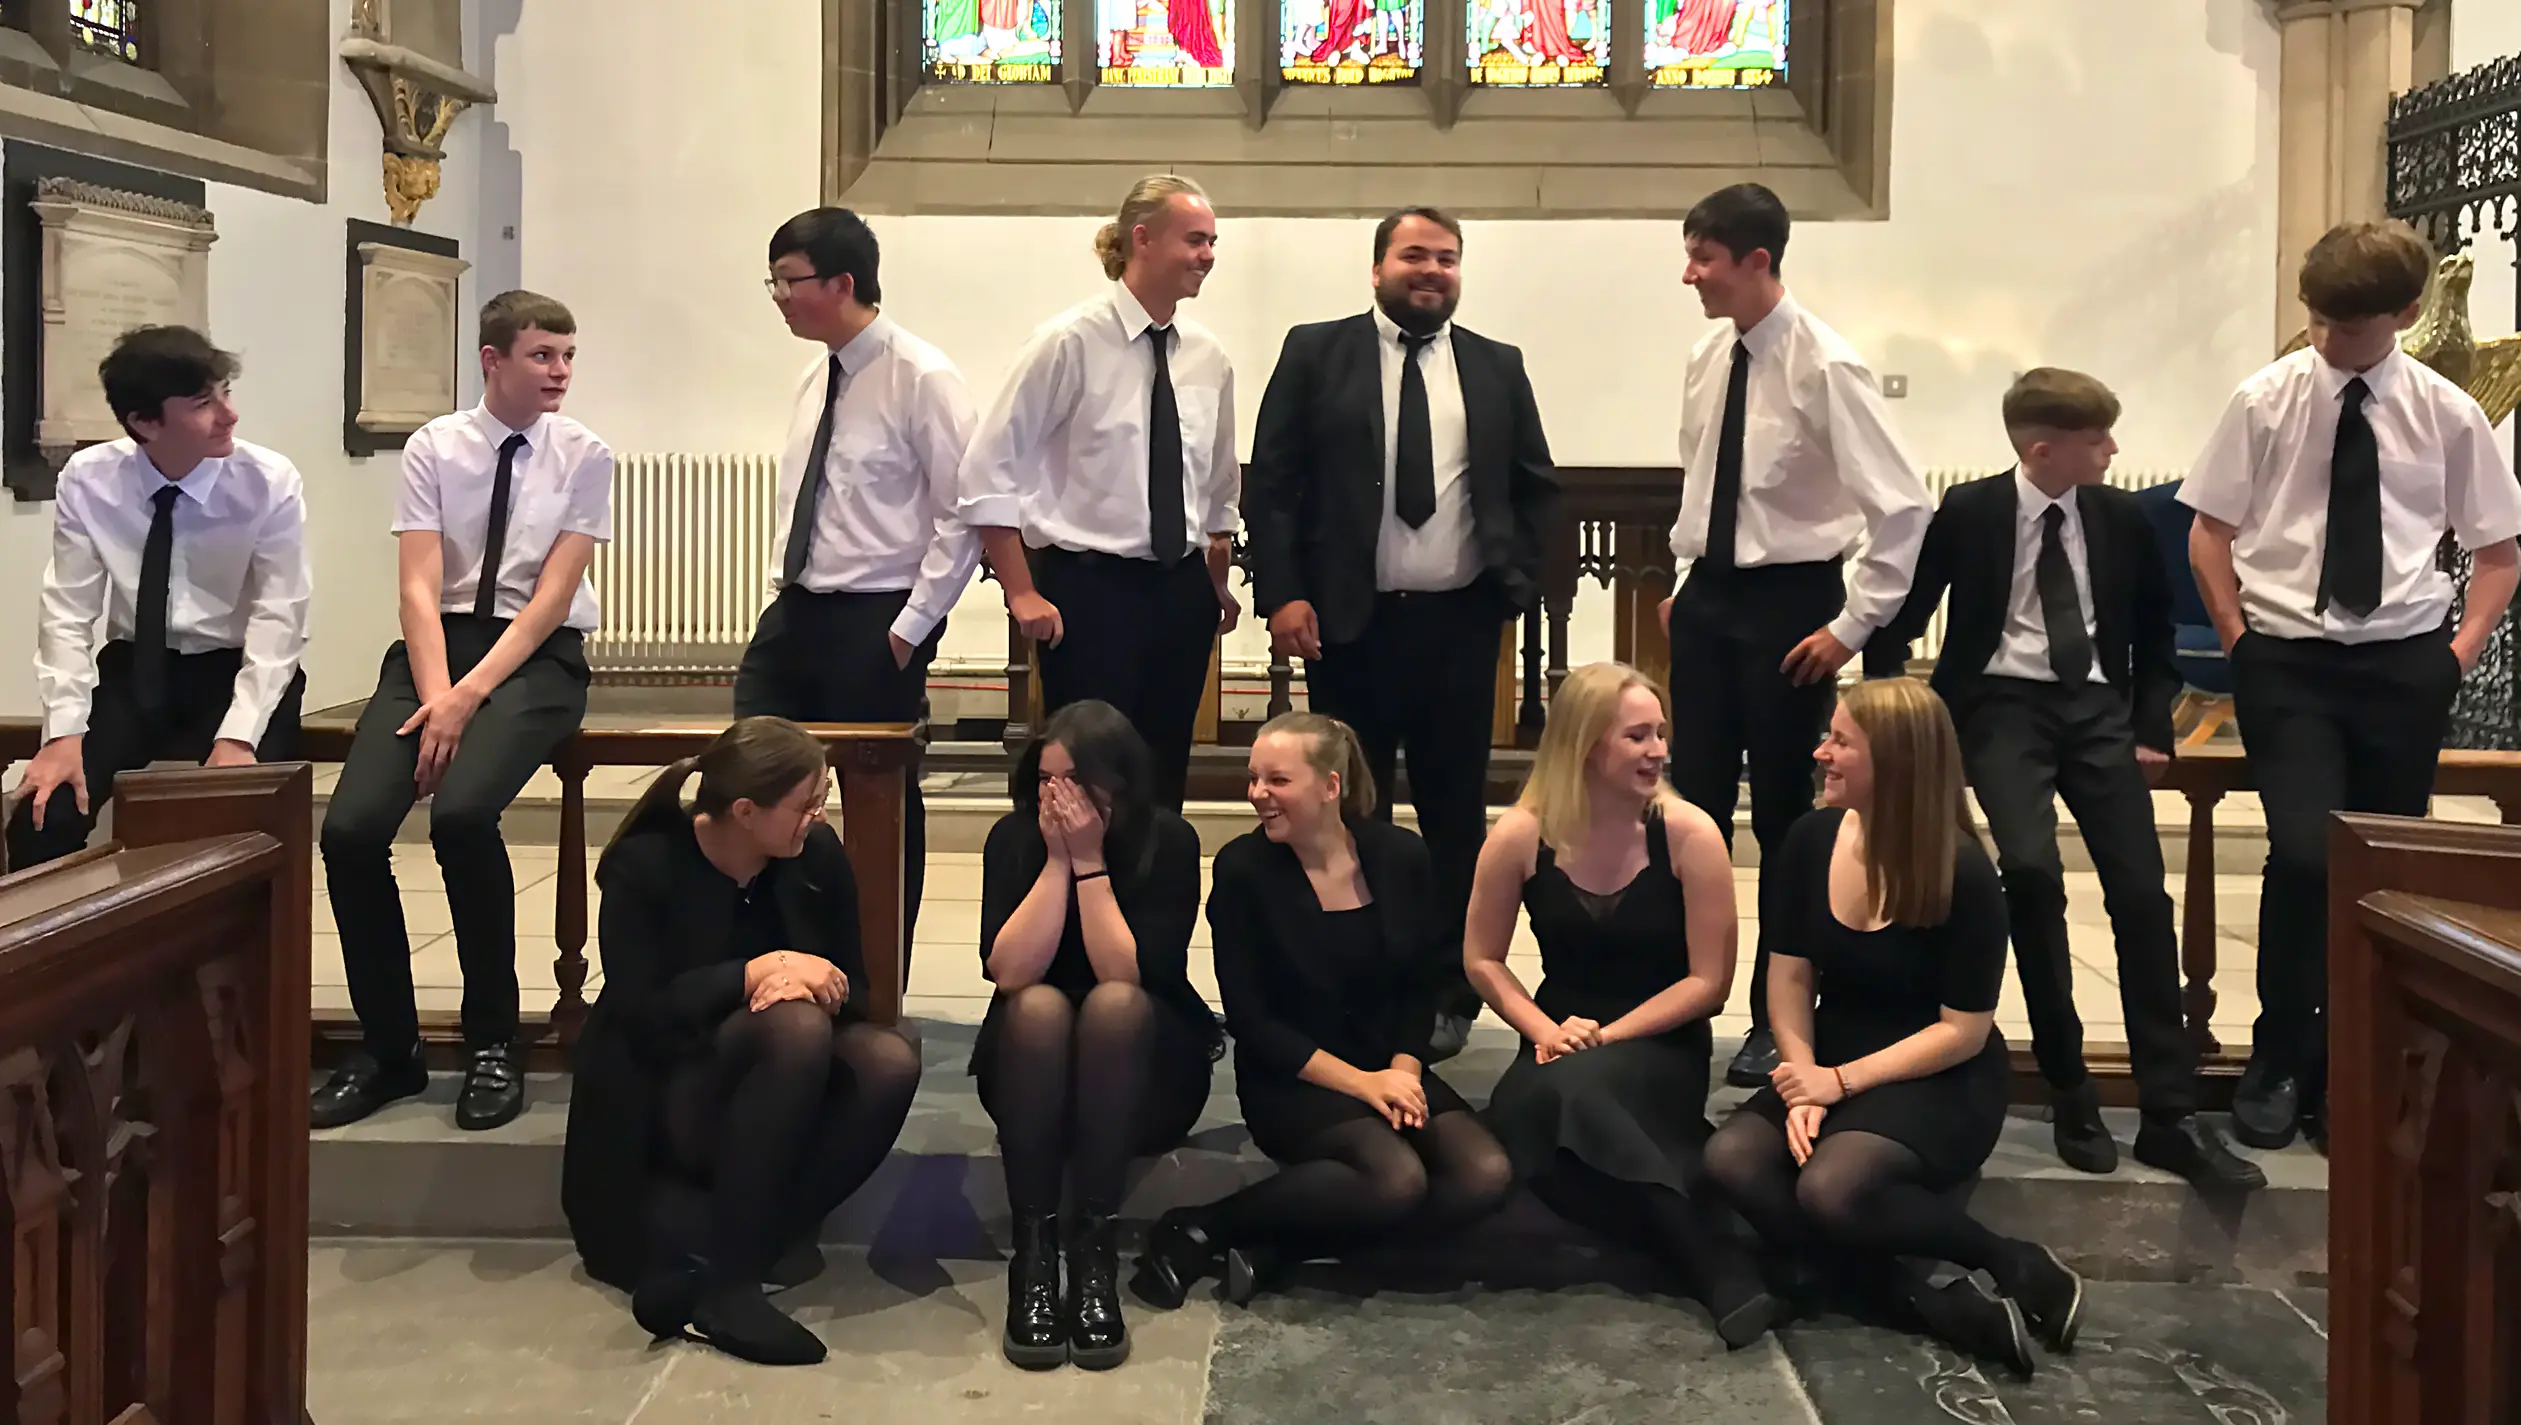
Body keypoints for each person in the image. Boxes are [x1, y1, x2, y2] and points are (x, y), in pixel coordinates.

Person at [1865, 370, 2262, 1191]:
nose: (2112, 451)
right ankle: (2068, 1084)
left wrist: (2150, 727)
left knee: (2141, 896)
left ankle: (2168, 1111)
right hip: (1999, 707)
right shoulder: (1971, 511)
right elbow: (1906, 611)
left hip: (2093, 708)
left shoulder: (2116, 518)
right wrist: (1890, 706)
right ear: (2043, 449)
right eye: (2097, 440)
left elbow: (2152, 634)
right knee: (2032, 875)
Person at [2183, 220, 2521, 1154]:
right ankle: (2278, 1055)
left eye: (2351, 322)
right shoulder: (2265, 399)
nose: (2328, 337)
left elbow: (2497, 550)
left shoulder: (2446, 413)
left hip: (2399, 662)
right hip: (2286, 659)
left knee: (2379, 865)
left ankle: (2350, 1062)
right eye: (2319, 317)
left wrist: (2453, 654)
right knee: (2301, 852)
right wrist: (2237, 639)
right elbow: (2209, 530)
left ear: (2406, 313)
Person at [1246, 205, 1561, 1062]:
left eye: (1448, 259)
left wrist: (1515, 585)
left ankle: (1450, 989)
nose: (1433, 271)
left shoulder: (1496, 367)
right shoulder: (1317, 352)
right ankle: (1353, 979)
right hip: (1350, 624)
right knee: (1346, 811)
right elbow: (1271, 485)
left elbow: (1535, 484)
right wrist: (1282, 593)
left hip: (1458, 627)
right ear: (1378, 267)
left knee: (1456, 817)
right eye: (1415, 255)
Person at [1702, 679, 2080, 1381]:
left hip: (1936, 1071)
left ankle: (2008, 1257)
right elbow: (1787, 978)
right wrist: (1801, 1079)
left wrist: (1836, 1082)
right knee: (1730, 1158)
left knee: (1829, 1187)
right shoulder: (1810, 840)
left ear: (1897, 761)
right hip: (1832, 1046)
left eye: (1840, 740)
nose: (1821, 751)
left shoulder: (1963, 871)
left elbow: (1962, 1031)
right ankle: (1920, 1301)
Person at [311, 291, 615, 1134]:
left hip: (533, 657)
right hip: (432, 649)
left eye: (566, 355)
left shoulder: (585, 453)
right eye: (541, 355)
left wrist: (469, 695)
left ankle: (492, 1042)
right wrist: (437, 690)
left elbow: (553, 597)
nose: (559, 372)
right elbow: (416, 583)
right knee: (349, 831)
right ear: (493, 360)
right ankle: (389, 1050)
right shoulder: (435, 445)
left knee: (464, 814)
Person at [1658, 182, 1930, 1090]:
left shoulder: (1827, 365)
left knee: (1782, 817)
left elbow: (1902, 508)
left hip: (1790, 609)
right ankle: (1678, 993)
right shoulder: (1708, 353)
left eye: (1704, 257)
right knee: (1687, 807)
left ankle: (1778, 1017)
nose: (1688, 273)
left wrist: (1851, 625)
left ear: (1758, 261)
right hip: (1710, 600)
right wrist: (1683, 576)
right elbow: (1703, 475)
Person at [561, 717, 919, 1367]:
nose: (818, 815)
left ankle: (729, 1260)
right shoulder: (644, 866)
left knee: (889, 1058)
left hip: (775, 1088)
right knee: (794, 1026)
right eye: (805, 803)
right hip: (664, 1088)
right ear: (746, 811)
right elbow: (641, 1014)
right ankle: (730, 1284)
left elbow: (861, 994)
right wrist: (755, 971)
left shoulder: (816, 857)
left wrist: (814, 983)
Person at [1133, 713, 1512, 1307]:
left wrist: (1405, 1071)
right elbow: (1253, 1023)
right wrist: (1366, 1085)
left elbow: (1421, 985)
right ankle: (1203, 1222)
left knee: (1484, 1173)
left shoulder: (1400, 856)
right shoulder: (1242, 872)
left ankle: (1282, 1249)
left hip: (1390, 1062)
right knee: (1397, 1179)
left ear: (1330, 786)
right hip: (1295, 1077)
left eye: (1277, 780)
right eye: (1254, 777)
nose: (1258, 793)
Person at [1463, 663, 1778, 1347]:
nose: (1658, 749)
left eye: (1660, 733)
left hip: (1660, 1039)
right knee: (1543, 1105)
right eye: (1637, 735)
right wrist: (1544, 1028)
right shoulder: (1520, 834)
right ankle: (1703, 1247)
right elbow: (1481, 959)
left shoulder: (1689, 834)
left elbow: (1708, 983)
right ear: (1585, 745)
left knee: (1548, 1117)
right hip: (1557, 1035)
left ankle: (1701, 1255)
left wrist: (1606, 1036)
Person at [737, 206, 981, 961]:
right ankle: (766, 954)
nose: (777, 296)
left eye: (789, 280)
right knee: (748, 780)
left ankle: (875, 975)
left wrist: (911, 629)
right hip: (797, 611)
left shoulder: (923, 377)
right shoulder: (818, 376)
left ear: (842, 283)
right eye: (772, 281)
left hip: (877, 620)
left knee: (877, 803)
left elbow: (963, 516)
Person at [958, 174, 1242, 811]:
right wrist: (1021, 589)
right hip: (1090, 591)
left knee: (1163, 774)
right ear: (1141, 238)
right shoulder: (1067, 342)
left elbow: (1217, 484)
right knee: (1088, 774)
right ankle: (1076, 895)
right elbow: (986, 470)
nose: (1208, 255)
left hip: (1179, 592)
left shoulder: (1207, 356)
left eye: (1213, 242)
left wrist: (1215, 579)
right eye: (1195, 240)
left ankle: (1150, 905)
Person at [972, 700, 1221, 1370]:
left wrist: (1089, 864)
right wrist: (1056, 862)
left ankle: (1093, 1249)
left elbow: (1130, 971)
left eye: (1074, 783)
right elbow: (1007, 969)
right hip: (1033, 1073)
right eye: (1046, 781)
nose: (1057, 797)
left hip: (1146, 1067)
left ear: (1117, 781)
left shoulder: (1168, 841)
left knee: (1112, 1004)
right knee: (1037, 1007)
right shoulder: (1014, 837)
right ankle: (1033, 1251)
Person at [7, 326, 311, 872]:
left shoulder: (266, 480)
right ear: (144, 422)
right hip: (135, 669)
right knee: (41, 815)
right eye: (203, 403)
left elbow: (279, 615)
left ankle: (218, 956)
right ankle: (72, 955)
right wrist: (62, 732)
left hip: (236, 667)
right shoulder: (90, 478)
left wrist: (239, 737)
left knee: (232, 824)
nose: (229, 415)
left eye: (225, 393)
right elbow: (68, 610)